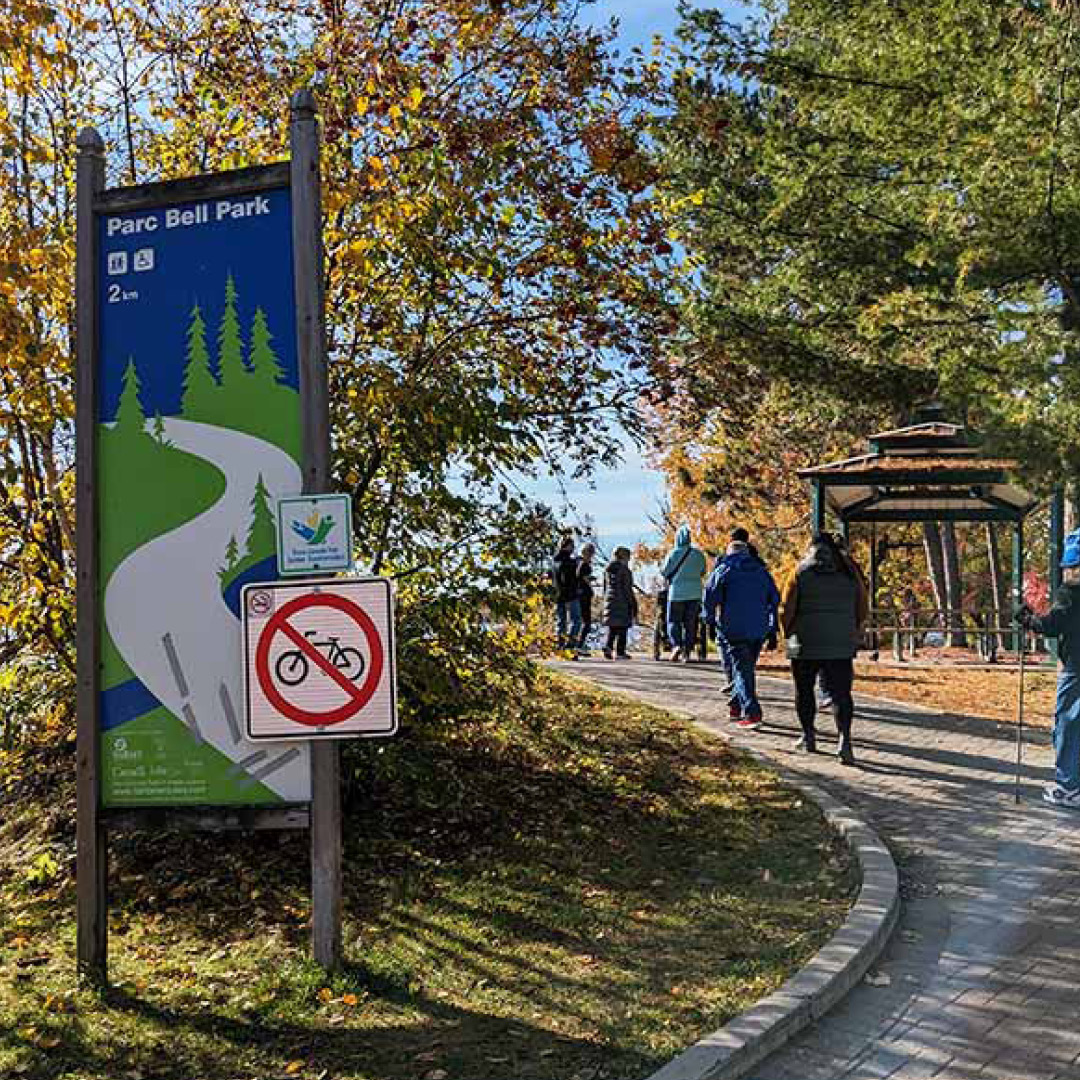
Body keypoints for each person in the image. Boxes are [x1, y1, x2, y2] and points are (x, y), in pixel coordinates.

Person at [780, 533, 868, 764]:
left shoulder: (799, 571)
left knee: (803, 689)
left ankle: (808, 735)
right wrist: (852, 628)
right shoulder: (849, 572)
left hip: (802, 640)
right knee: (841, 693)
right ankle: (844, 740)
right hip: (841, 641)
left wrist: (787, 634)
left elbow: (786, 608)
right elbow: (862, 605)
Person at [1018, 529, 1080, 809]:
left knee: (1067, 723)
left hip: (1076, 667)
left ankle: (1068, 786)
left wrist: (1027, 618)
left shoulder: (1070, 593)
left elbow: (1053, 625)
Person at [705, 537, 780, 730]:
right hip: (759, 629)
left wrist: (710, 622)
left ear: (729, 553)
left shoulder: (724, 570)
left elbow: (710, 597)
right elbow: (774, 600)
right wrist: (773, 629)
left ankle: (752, 713)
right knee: (745, 669)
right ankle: (735, 706)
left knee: (742, 671)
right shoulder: (762, 572)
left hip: (734, 628)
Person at [661, 524, 707, 662]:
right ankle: (687, 651)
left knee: (673, 621)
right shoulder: (698, 554)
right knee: (690, 623)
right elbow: (703, 571)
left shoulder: (673, 554)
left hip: (676, 593)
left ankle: (676, 645)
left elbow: (665, 572)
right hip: (695, 593)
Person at [602, 546, 637, 659]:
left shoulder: (607, 570)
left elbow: (605, 588)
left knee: (612, 627)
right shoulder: (625, 571)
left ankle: (608, 646)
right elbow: (627, 589)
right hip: (622, 602)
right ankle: (620, 652)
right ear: (624, 557)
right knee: (623, 628)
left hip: (610, 601)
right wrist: (633, 603)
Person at [552, 535, 582, 650]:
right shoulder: (569, 562)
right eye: (572, 546)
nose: (573, 548)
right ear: (567, 546)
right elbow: (569, 579)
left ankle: (560, 644)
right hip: (570, 595)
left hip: (558, 595)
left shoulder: (555, 561)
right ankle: (570, 644)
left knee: (561, 621)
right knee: (576, 620)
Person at [576, 543, 597, 654]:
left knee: (583, 622)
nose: (591, 556)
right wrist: (590, 581)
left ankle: (579, 644)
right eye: (590, 553)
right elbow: (584, 578)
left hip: (581, 595)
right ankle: (579, 645)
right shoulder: (584, 564)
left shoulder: (578, 563)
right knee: (586, 622)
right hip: (584, 595)